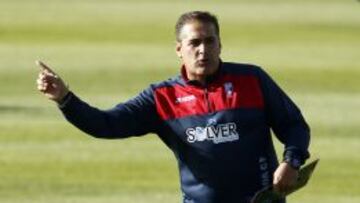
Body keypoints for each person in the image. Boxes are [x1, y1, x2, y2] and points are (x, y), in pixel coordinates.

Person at [36, 11, 310, 203]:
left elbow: (294, 124)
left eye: (209, 41)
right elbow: (106, 124)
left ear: (220, 45)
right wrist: (65, 99)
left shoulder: (251, 80)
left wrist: (292, 161)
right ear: (179, 49)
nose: (203, 49)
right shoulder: (162, 97)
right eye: (194, 43)